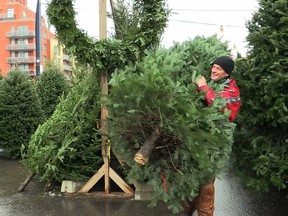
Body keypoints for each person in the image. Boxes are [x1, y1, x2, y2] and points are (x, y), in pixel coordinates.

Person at [182, 56, 241, 216]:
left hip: (213, 145)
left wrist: (203, 86)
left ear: (227, 73)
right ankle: (187, 210)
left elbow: (221, 107)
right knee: (191, 184)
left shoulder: (231, 91)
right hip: (196, 141)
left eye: (218, 68)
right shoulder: (213, 85)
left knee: (207, 186)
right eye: (213, 67)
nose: (214, 70)